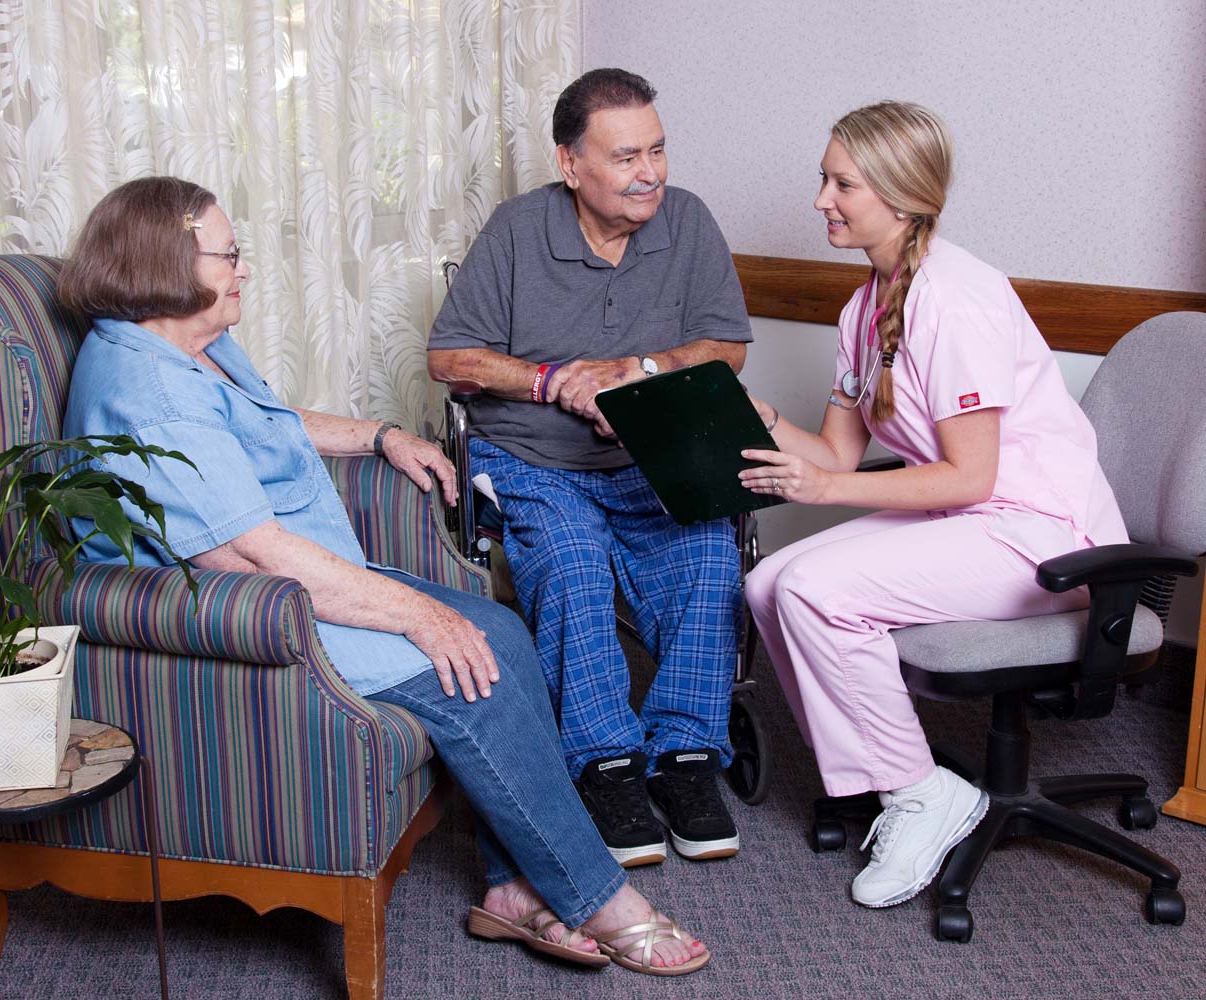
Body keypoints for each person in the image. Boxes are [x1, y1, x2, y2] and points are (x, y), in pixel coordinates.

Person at [57, 176, 711, 977]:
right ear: (165, 262)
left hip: (305, 579)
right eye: (230, 255)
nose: (245, 271)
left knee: (501, 627)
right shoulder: (148, 390)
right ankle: (597, 895)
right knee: (469, 667)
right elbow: (249, 554)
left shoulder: (188, 342)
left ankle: (508, 892)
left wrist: (378, 435)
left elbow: (263, 422)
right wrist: (413, 614)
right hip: (252, 613)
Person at [739, 102, 1128, 909]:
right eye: (824, 178)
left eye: (841, 182)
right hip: (972, 524)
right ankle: (888, 782)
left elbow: (969, 477)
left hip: (1042, 537)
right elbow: (837, 451)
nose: (821, 198)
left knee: (818, 592)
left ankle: (922, 792)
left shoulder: (957, 299)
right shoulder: (864, 307)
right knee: (767, 583)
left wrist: (827, 491)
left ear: (900, 194)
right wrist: (747, 412)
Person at [427, 68, 750, 868]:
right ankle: (605, 762)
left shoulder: (689, 222)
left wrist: (636, 368)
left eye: (659, 150)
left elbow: (727, 345)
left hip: (650, 453)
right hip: (536, 457)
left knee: (708, 556)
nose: (651, 173)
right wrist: (548, 381)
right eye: (627, 156)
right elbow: (449, 357)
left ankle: (685, 755)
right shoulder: (516, 229)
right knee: (570, 563)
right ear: (572, 165)